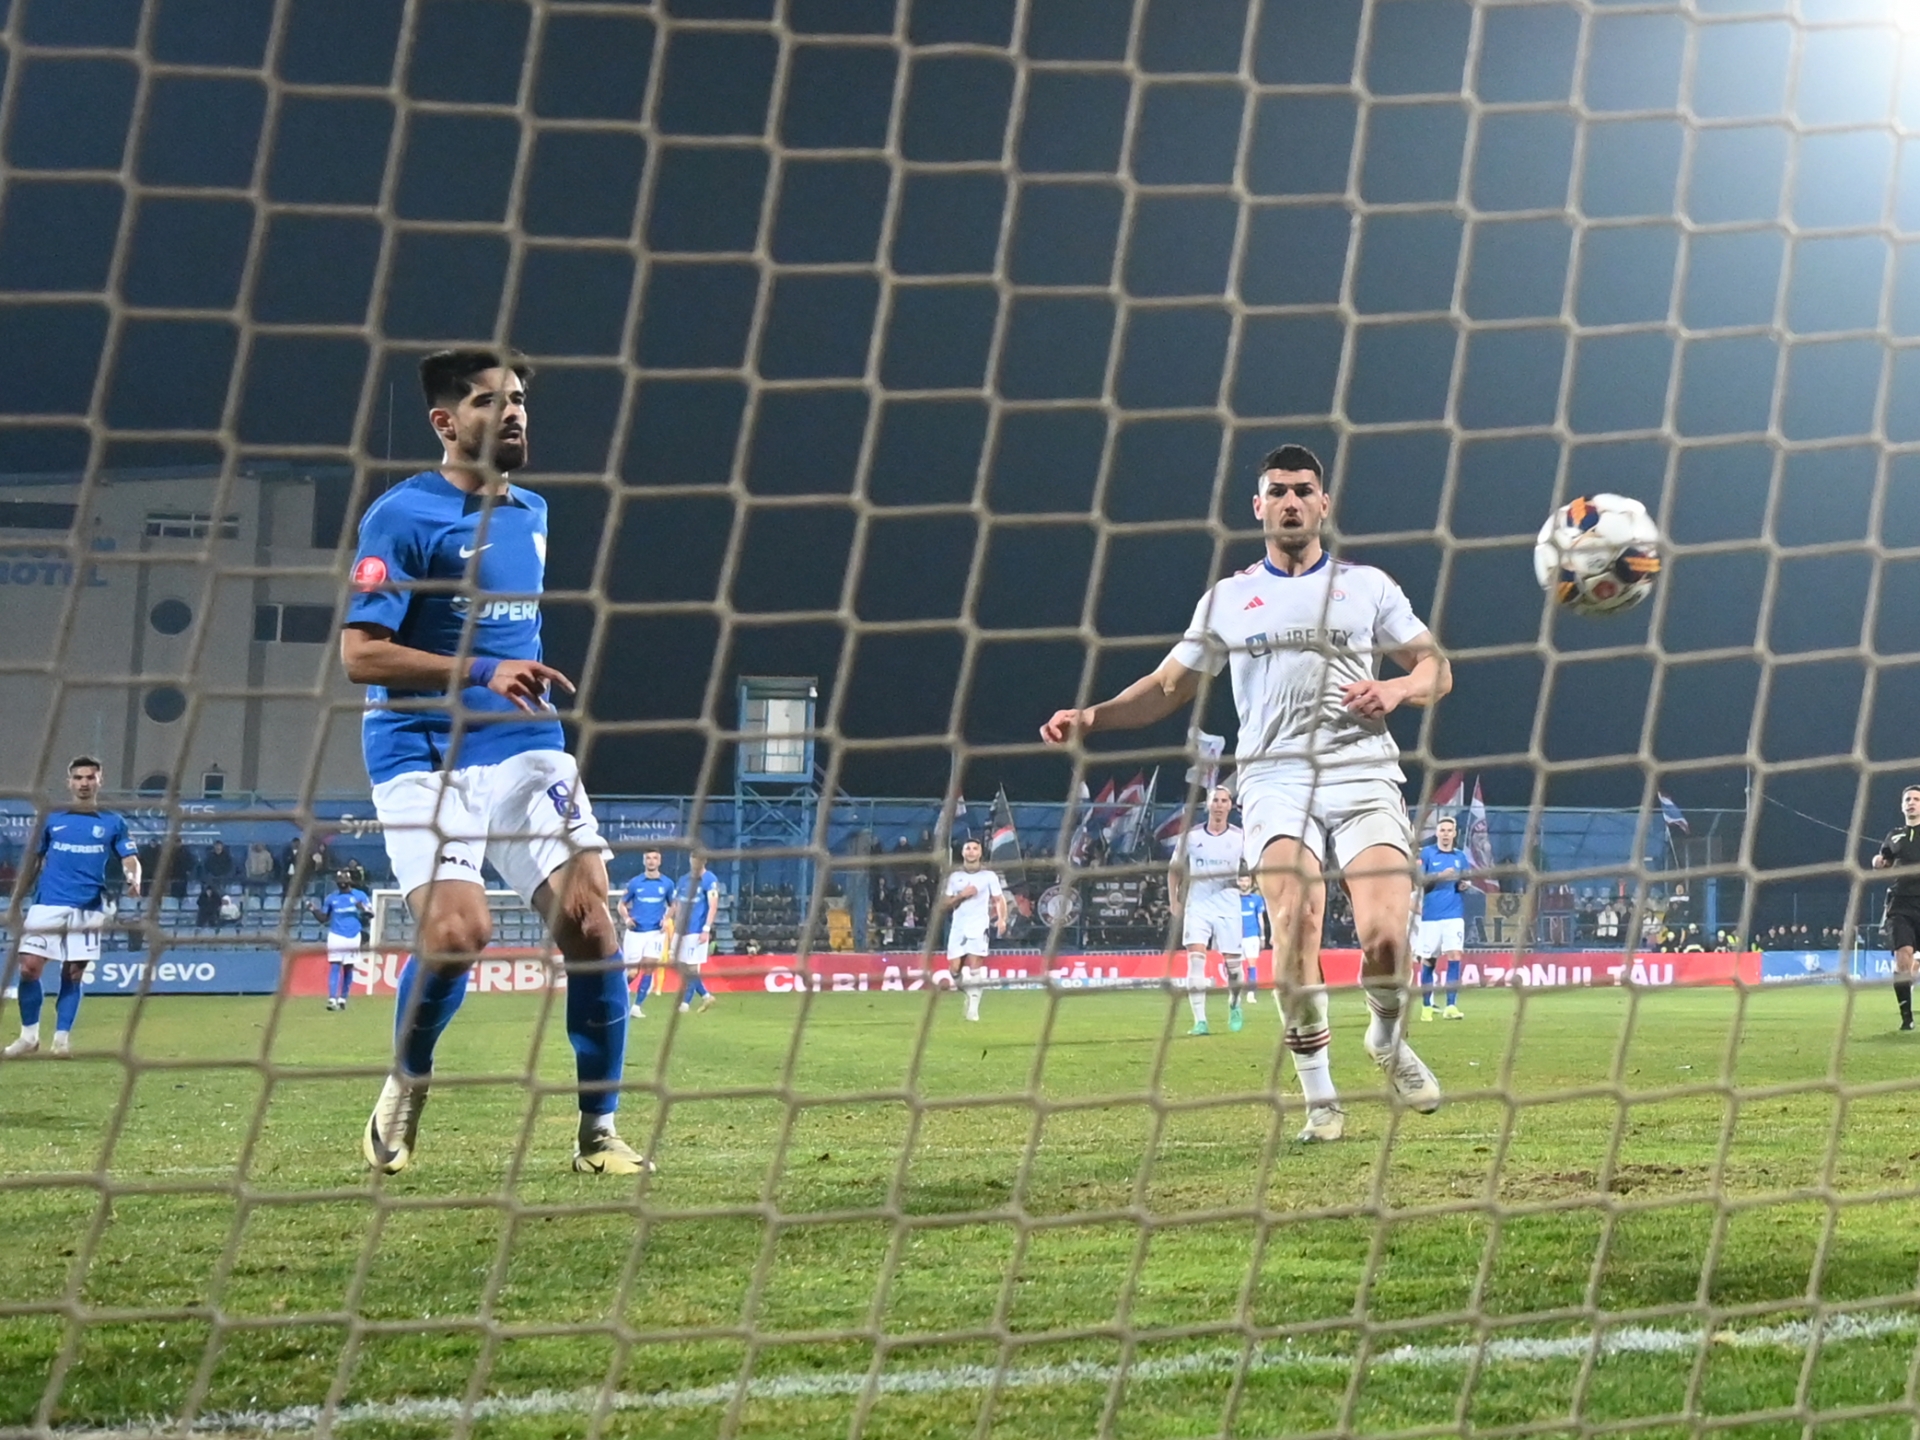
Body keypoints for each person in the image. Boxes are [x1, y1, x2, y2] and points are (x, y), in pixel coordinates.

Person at [1040, 444, 1451, 1142]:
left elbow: (1437, 667)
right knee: (1294, 918)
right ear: (1258, 507)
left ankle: (1385, 1038)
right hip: (1273, 778)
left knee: (1386, 936)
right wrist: (1092, 717)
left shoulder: (1368, 586)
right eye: (1278, 491)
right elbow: (1167, 688)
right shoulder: (1228, 599)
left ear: (1324, 504)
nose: (1292, 501)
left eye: (1304, 490)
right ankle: (1321, 1100)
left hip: (1362, 770)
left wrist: (1397, 688)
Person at [341, 348, 643, 1176]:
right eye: (487, 402)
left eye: (517, 400)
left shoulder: (532, 512)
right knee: (458, 932)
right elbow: (361, 655)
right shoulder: (402, 517)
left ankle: (598, 1132)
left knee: (592, 921)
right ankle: (407, 1082)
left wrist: (508, 681)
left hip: (522, 740)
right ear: (445, 422)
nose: (512, 413)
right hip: (421, 744)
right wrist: (481, 669)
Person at [3, 756, 141, 1059]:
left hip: (87, 907)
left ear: (99, 781)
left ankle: (61, 1040)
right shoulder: (51, 817)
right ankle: (28, 1036)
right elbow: (33, 861)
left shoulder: (113, 822)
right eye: (78, 778)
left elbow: (130, 858)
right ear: (69, 782)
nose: (84, 783)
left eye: (90, 777)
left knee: (74, 974)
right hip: (48, 903)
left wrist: (134, 877)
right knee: (28, 968)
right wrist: (15, 902)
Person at [1168, 785, 1246, 1035]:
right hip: (1198, 905)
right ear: (1207, 805)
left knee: (1234, 967)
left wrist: (1250, 882)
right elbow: (1174, 870)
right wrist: (1174, 900)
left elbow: (1255, 867)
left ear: (1230, 806)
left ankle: (1234, 1003)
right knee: (1195, 961)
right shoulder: (1191, 837)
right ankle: (1200, 1021)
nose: (1219, 805)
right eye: (1215, 800)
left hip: (1228, 905)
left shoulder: (1240, 837)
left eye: (1224, 801)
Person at [941, 838, 1007, 1022]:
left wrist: (1002, 919)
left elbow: (999, 899)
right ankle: (969, 993)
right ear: (963, 852)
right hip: (958, 927)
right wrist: (962, 895)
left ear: (980, 853)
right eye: (968, 848)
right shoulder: (954, 877)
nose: (971, 851)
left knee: (975, 966)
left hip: (979, 925)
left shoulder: (989, 876)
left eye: (974, 848)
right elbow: (944, 905)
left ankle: (973, 1009)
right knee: (954, 969)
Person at [1872, 786, 1920, 1031]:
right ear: (1902, 806)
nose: (1911, 802)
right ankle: (1906, 1017)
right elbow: (1885, 861)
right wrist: (1878, 862)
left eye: (1916, 799)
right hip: (1901, 904)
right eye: (1907, 799)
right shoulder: (1894, 835)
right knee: (1903, 955)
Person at [1415, 815, 1471, 1021]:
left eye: (1449, 831)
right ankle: (1426, 1006)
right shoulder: (1427, 853)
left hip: (1454, 914)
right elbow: (1419, 880)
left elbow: (1465, 880)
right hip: (1431, 915)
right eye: (1443, 830)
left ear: (1454, 834)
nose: (1446, 834)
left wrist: (1463, 885)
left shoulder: (1460, 857)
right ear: (1437, 833)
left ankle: (1451, 1006)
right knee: (1429, 960)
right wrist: (1440, 876)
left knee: (1455, 955)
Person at [619, 850, 674, 1019]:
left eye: (655, 858)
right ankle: (613, 997)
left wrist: (666, 919)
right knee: (632, 972)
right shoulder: (635, 883)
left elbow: (674, 905)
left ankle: (637, 1007)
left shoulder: (667, 883)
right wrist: (627, 918)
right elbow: (621, 904)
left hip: (656, 933)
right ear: (644, 861)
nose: (651, 861)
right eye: (648, 858)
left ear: (660, 861)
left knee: (649, 968)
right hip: (636, 933)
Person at [309, 869, 372, 1012]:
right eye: (340, 881)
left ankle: (343, 998)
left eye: (344, 880)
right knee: (335, 965)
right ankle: (332, 998)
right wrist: (313, 910)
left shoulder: (360, 896)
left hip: (353, 935)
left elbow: (370, 914)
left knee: (348, 967)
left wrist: (362, 908)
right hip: (336, 935)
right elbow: (323, 918)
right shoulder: (331, 898)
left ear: (350, 881)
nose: (342, 883)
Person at [672, 857, 720, 1014]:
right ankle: (706, 995)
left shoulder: (710, 880)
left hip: (696, 929)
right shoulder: (683, 880)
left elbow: (713, 906)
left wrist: (706, 929)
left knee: (692, 967)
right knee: (678, 965)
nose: (695, 862)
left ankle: (685, 1003)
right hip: (681, 930)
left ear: (704, 861)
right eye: (693, 859)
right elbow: (677, 903)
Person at [1238, 872, 1266, 1007]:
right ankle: (1237, 992)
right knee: (1236, 966)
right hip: (1236, 936)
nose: (1244, 883)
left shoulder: (1256, 899)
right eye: (1241, 881)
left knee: (1252, 965)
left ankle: (1251, 993)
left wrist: (1262, 936)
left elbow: (1260, 918)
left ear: (1250, 882)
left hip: (1252, 936)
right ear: (1238, 882)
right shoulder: (1233, 899)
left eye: (1246, 881)